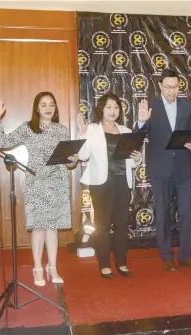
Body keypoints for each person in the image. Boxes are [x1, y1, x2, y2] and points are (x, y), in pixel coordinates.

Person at [0, 92, 77, 286]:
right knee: (38, 227)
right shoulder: (28, 128)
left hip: (57, 183)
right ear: (37, 108)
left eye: (52, 104)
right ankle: (37, 267)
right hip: (37, 182)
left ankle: (52, 267)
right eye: (43, 104)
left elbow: (68, 163)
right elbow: (1, 142)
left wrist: (73, 160)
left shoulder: (62, 130)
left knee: (52, 228)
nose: (48, 108)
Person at [135, 69, 191, 272]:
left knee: (186, 212)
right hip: (160, 169)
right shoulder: (151, 107)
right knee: (162, 213)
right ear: (160, 87)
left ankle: (185, 255)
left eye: (176, 87)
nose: (172, 91)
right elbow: (136, 137)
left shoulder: (187, 107)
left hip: (184, 168)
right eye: (168, 87)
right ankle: (166, 256)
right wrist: (142, 121)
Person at [77, 93, 142, 278]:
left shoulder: (127, 130)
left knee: (122, 223)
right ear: (101, 109)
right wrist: (81, 134)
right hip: (101, 183)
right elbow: (82, 156)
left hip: (123, 182)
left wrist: (137, 158)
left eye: (116, 107)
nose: (113, 111)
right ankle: (104, 263)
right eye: (109, 107)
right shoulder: (92, 129)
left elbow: (133, 159)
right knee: (102, 224)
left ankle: (121, 262)